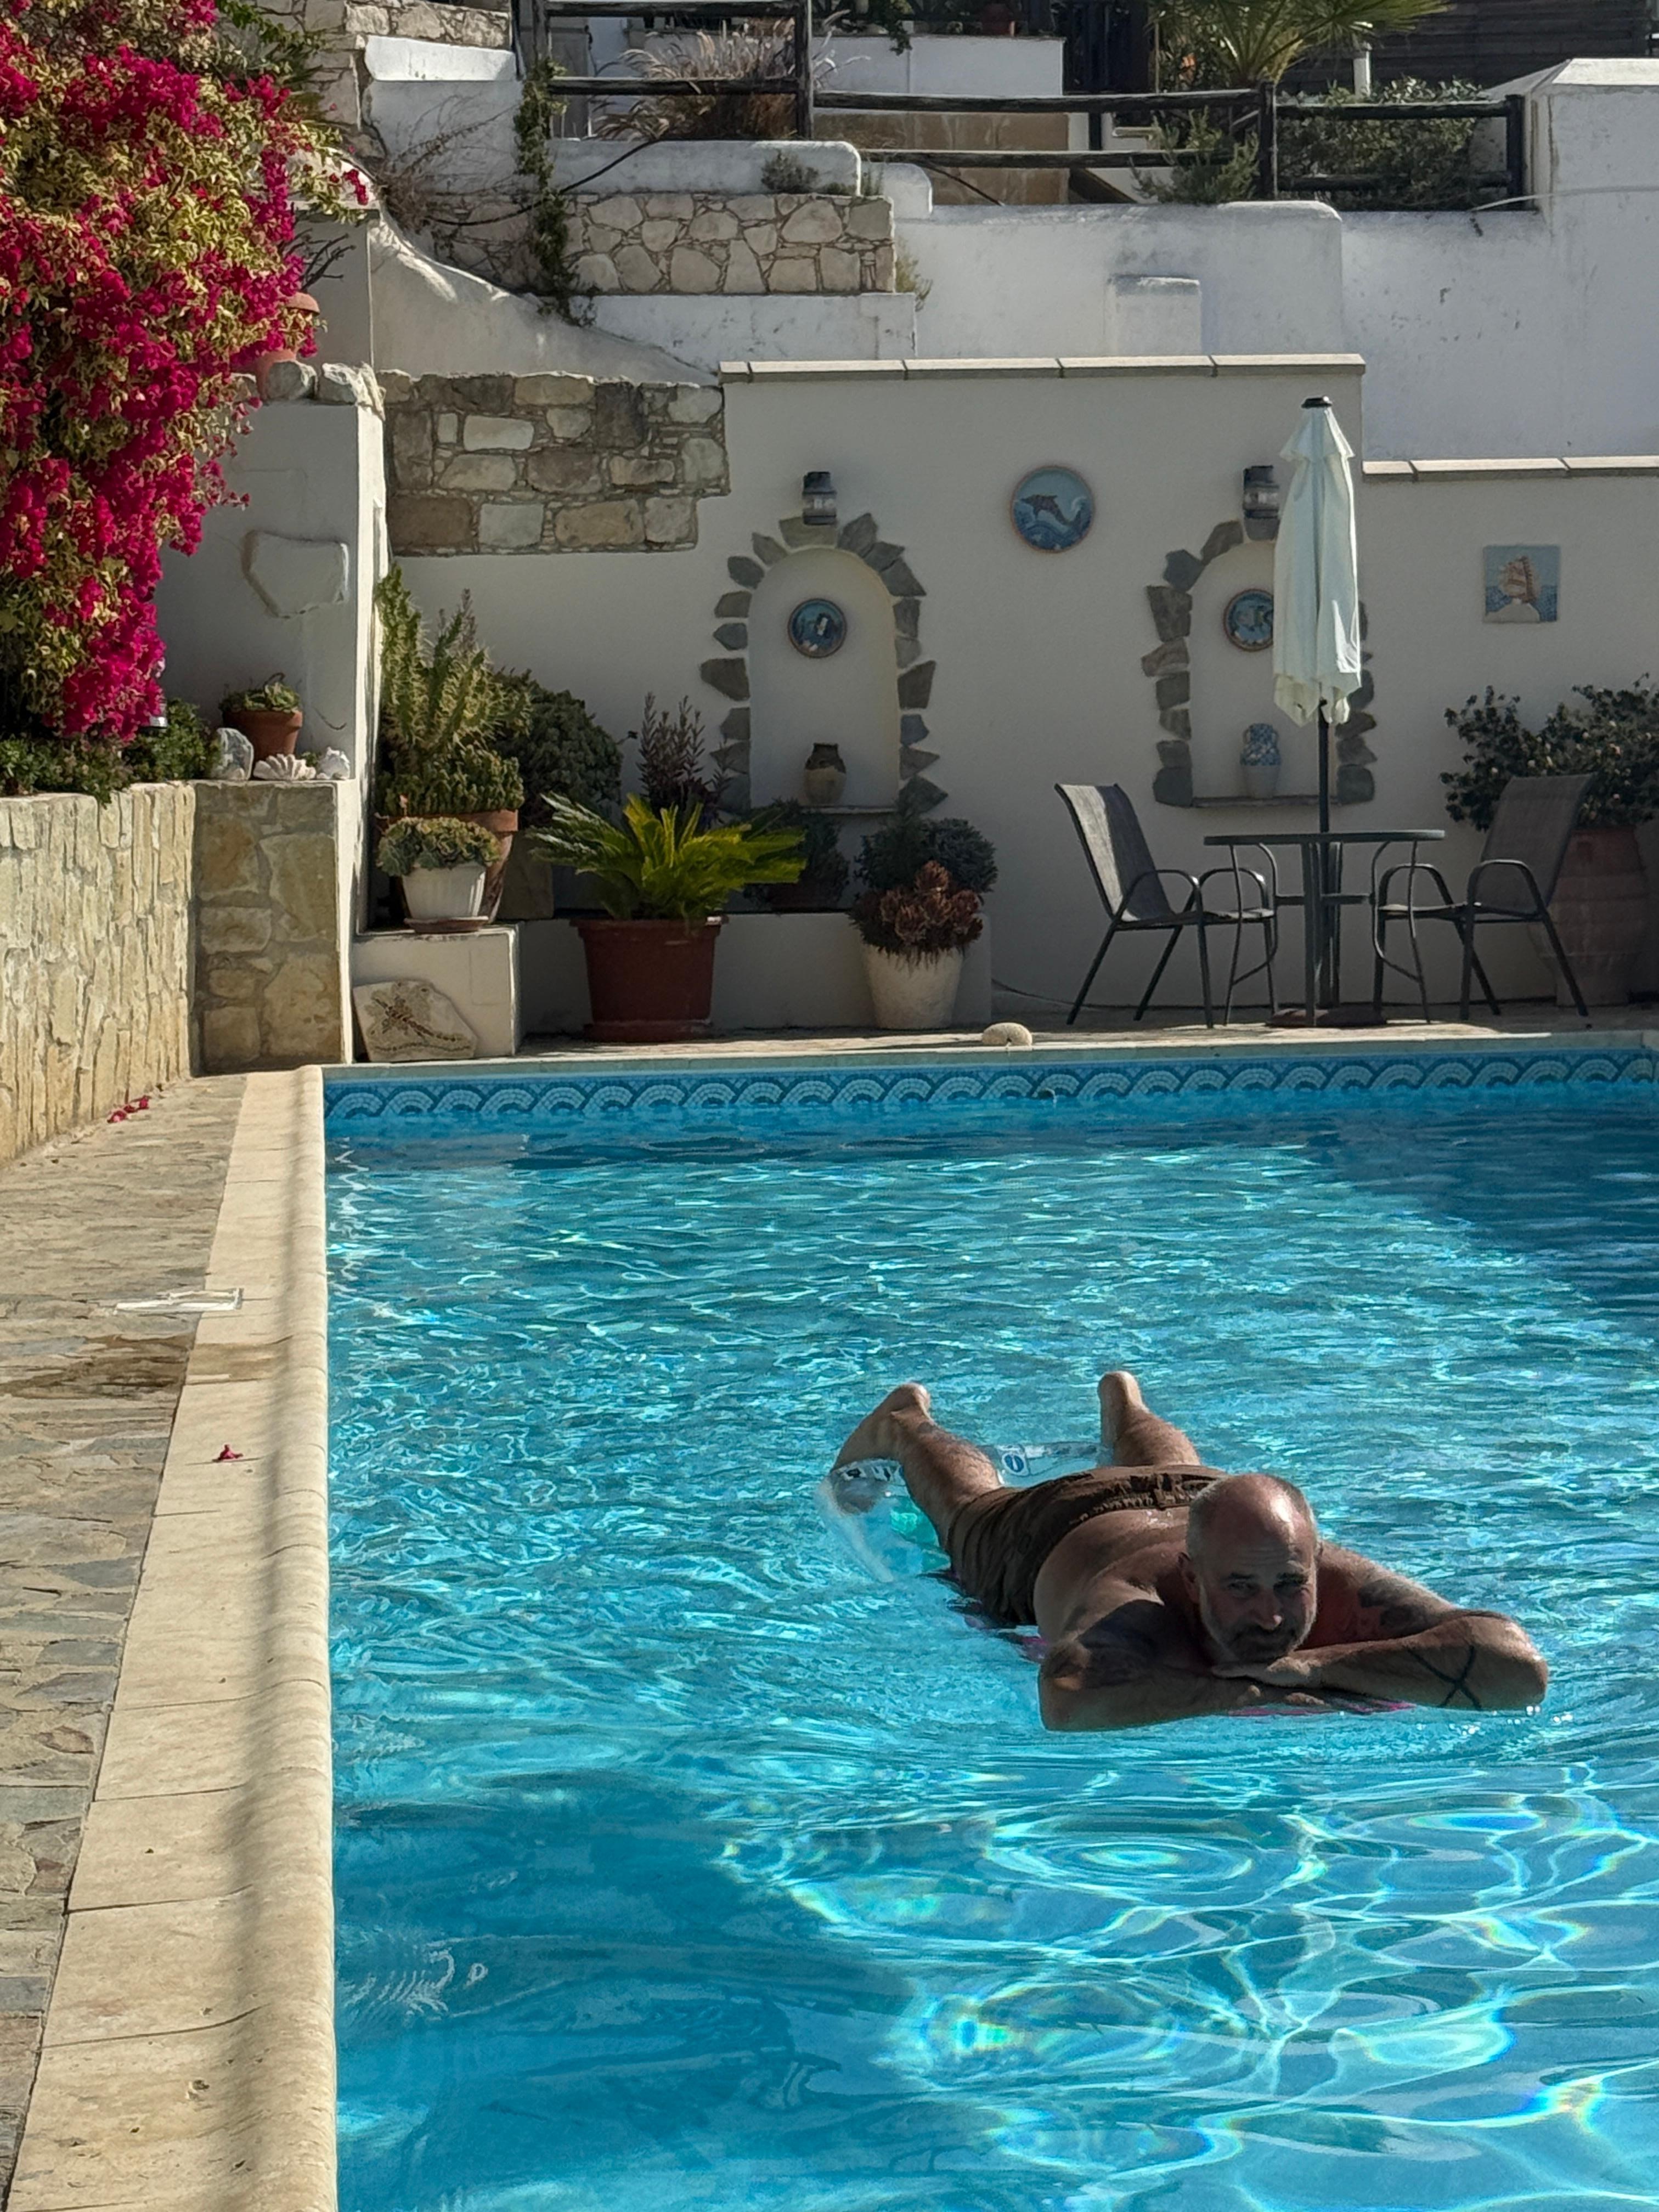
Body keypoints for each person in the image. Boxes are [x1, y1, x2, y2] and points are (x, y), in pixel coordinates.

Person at [830, 1375, 1547, 1731]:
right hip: (1049, 1529)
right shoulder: (1138, 1607)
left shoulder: (1329, 1580)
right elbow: (1067, 1698)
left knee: (1187, 1476)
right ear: (1190, 1578)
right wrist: (1251, 1689)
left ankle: (1125, 1407)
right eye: (1240, 1589)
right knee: (967, 1509)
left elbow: (1521, 1672)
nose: (1269, 1615)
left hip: (1191, 1493)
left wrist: (1311, 1665)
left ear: (1317, 1561)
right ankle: (906, 1421)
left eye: (1289, 1586)